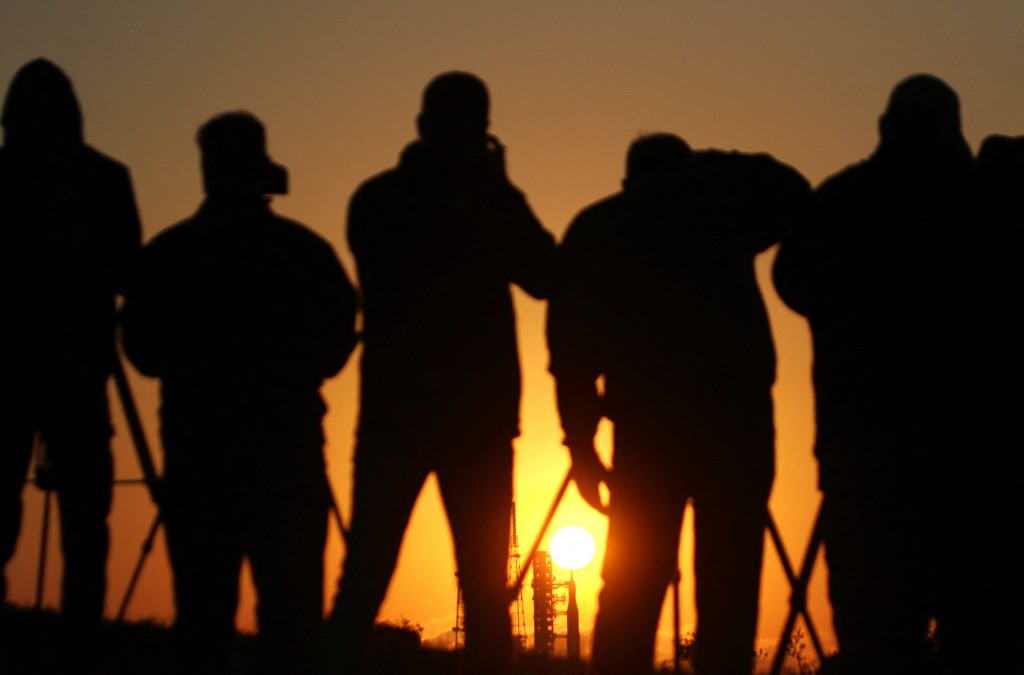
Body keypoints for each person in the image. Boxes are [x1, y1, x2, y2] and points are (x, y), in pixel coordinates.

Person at [548, 133, 809, 675]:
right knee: (730, 584)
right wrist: (716, 164)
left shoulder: (601, 226)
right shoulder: (721, 209)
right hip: (733, 427)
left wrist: (580, 447)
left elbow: (570, 353)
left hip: (648, 431)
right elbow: (794, 190)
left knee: (632, 587)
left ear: (628, 178)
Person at [324, 71, 555, 674]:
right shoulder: (448, 202)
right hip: (457, 414)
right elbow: (545, 273)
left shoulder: (376, 197)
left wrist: (490, 193)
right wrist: (496, 191)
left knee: (376, 570)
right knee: (473, 583)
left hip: (406, 411)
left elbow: (544, 275)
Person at [120, 111, 358, 675]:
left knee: (202, 619)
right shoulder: (304, 252)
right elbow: (336, 343)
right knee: (292, 623)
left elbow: (142, 352)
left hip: (199, 459)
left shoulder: (170, 253)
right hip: (286, 458)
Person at [773, 74, 978, 674]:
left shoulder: (843, 201)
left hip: (864, 455)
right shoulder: (981, 201)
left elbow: (792, 281)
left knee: (876, 635)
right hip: (971, 458)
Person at [0, 58, 142, 641]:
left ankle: (76, 635)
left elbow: (128, 270)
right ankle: (80, 639)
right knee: (86, 522)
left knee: (85, 520)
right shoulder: (105, 179)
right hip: (73, 369)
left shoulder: (100, 179)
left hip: (47, 368)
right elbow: (130, 271)